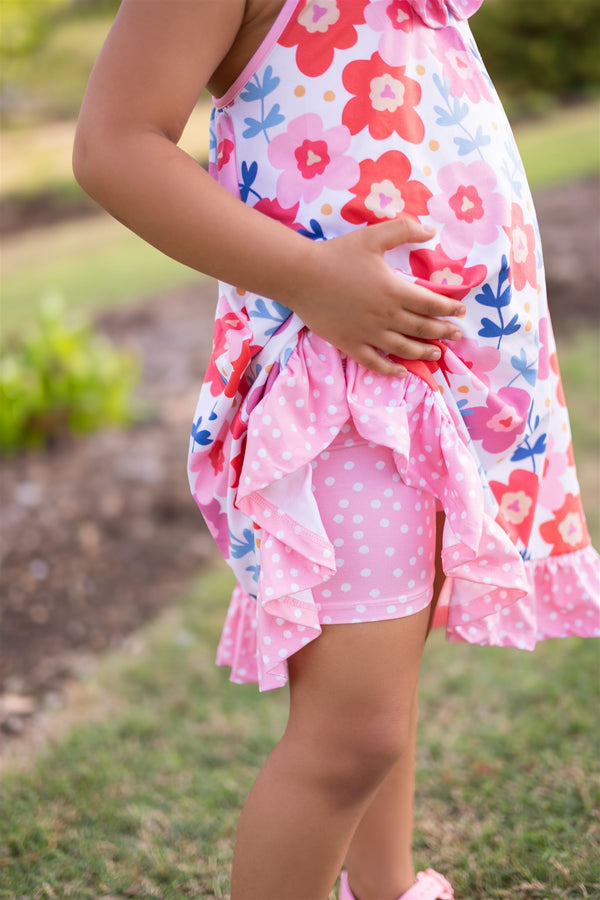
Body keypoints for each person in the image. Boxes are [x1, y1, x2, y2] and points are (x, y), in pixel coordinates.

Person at [73, 1, 600, 898]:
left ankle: (385, 888)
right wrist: (310, 277)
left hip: (442, 391)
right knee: (351, 733)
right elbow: (115, 144)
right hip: (339, 394)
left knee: (382, 699)